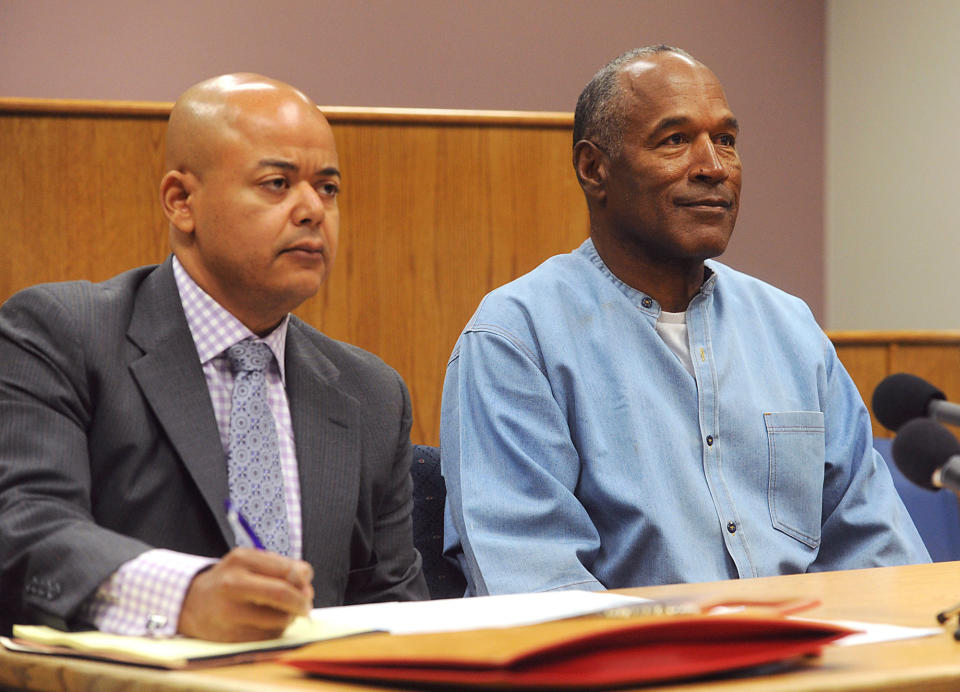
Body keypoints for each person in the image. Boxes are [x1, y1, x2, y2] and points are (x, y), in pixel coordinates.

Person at [440, 45, 929, 596]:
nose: (714, 168)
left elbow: (879, 555)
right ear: (593, 168)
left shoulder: (790, 330)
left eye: (726, 140)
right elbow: (534, 582)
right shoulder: (515, 337)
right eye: (675, 141)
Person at [0, 73, 427, 641]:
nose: (312, 210)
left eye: (328, 188)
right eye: (277, 183)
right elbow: (27, 525)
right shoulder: (63, 333)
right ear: (181, 201)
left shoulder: (370, 391)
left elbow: (394, 606)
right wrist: (186, 597)